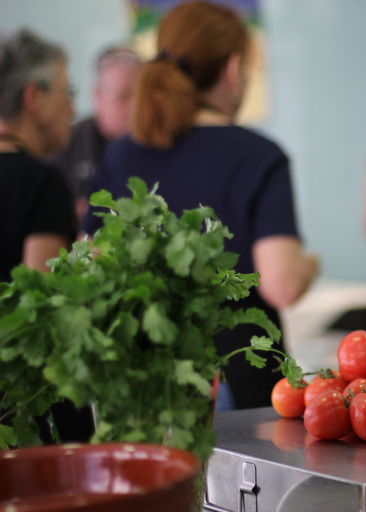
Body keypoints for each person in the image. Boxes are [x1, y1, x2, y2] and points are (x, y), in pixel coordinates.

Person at [82, 1, 319, 410]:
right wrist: (311, 264)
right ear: (234, 69)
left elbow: (90, 265)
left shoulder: (122, 155)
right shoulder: (257, 156)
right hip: (236, 381)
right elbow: (283, 284)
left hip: (145, 382)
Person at [0, 28, 77, 282]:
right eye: (66, 92)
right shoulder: (40, 185)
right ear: (34, 95)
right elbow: (39, 309)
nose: (72, 110)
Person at [51, 47, 141, 226]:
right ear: (98, 97)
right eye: (122, 97)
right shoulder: (65, 142)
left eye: (141, 96)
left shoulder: (159, 141)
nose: (134, 107)